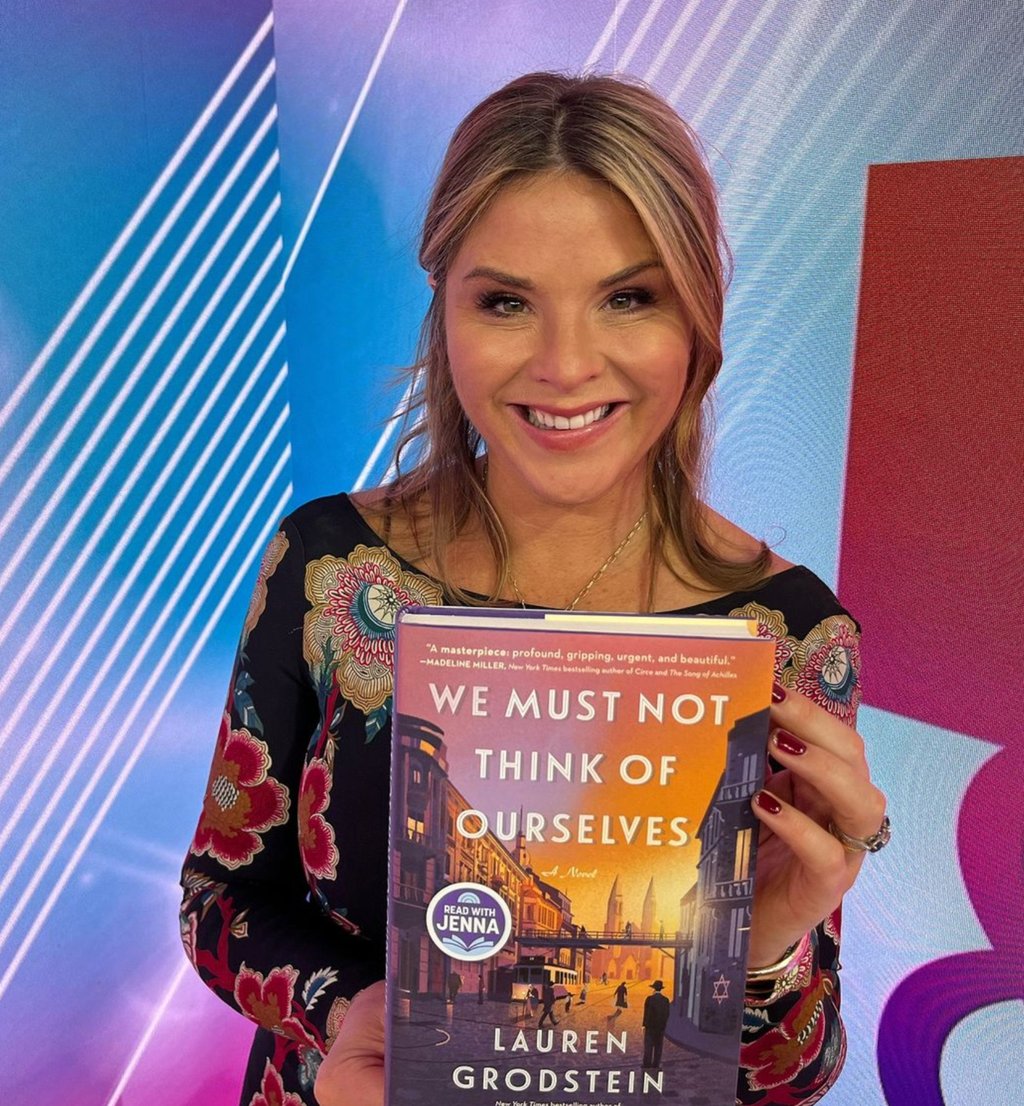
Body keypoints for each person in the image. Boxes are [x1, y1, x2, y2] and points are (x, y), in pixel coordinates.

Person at [179, 71, 888, 1106]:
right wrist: (347, 1009)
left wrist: (771, 947)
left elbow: (787, 1076)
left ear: (696, 313)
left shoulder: (787, 636)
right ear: (445, 307)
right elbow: (219, 895)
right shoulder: (333, 569)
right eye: (506, 300)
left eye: (627, 297)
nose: (563, 363)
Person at [642, 980, 671, 1068]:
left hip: (650, 1026)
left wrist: (644, 1024)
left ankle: (647, 1063)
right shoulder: (665, 1000)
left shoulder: (649, 999)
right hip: (660, 1027)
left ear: (654, 989)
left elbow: (646, 1013)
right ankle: (656, 1063)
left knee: (648, 1046)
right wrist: (664, 1025)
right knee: (658, 1046)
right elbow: (667, 1014)